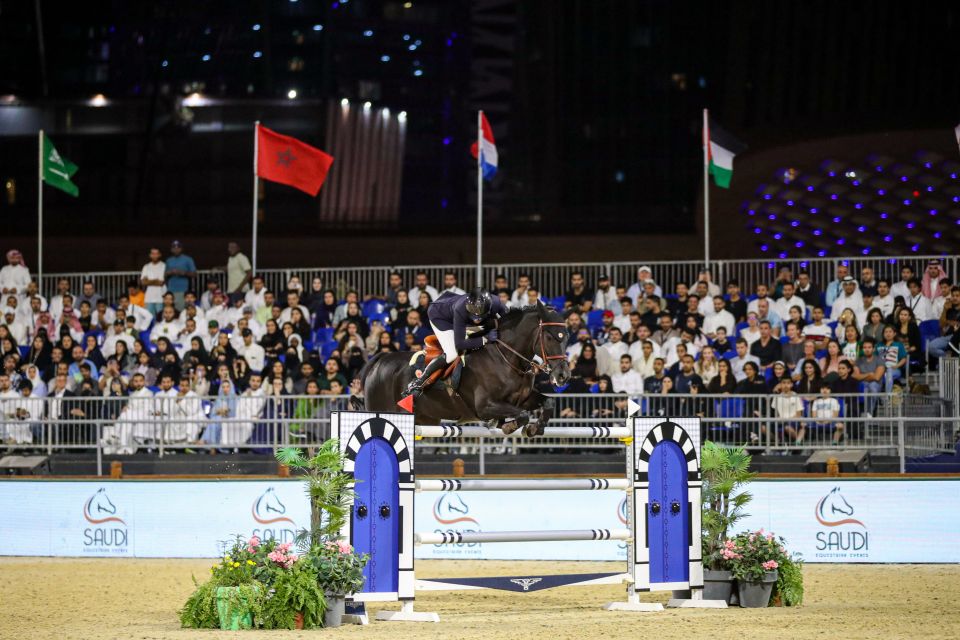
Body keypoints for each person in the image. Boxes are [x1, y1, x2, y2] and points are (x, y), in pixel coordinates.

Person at [402, 287, 507, 399]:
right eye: (474, 315)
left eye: (479, 315)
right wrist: (485, 339)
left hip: (455, 306)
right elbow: (460, 344)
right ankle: (419, 381)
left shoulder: (496, 303)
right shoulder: (460, 309)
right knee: (452, 353)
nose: (477, 319)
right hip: (440, 316)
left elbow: (510, 319)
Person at [853, 337, 885, 415]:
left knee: (872, 386)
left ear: (873, 349)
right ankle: (868, 414)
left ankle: (868, 413)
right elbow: (856, 376)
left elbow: (877, 377)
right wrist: (869, 374)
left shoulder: (879, 360)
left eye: (869, 347)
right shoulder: (858, 360)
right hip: (862, 384)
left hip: (876, 384)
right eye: (864, 347)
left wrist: (862, 376)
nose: (867, 349)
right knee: (865, 387)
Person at [772, 379, 805, 446]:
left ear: (791, 385)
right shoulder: (777, 397)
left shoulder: (796, 396)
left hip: (793, 420)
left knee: (787, 427)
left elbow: (798, 413)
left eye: (788, 383)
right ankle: (778, 442)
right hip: (780, 421)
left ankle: (798, 442)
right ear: (780, 385)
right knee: (765, 426)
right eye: (783, 383)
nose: (786, 385)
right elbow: (775, 413)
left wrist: (789, 419)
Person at [878, 325, 907, 392]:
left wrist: (896, 366)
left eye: (890, 332)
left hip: (894, 369)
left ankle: (888, 398)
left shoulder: (899, 344)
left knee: (889, 373)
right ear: (883, 334)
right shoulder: (879, 345)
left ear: (894, 334)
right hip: (881, 370)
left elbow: (904, 359)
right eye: (886, 332)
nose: (888, 334)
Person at [140, 247, 167, 318]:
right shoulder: (146, 266)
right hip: (149, 297)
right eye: (153, 253)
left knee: (160, 318)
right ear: (150, 255)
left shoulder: (164, 266)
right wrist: (155, 280)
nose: (154, 255)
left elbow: (161, 283)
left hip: (161, 296)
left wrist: (148, 281)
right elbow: (143, 282)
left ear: (159, 255)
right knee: (149, 318)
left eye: (156, 253)